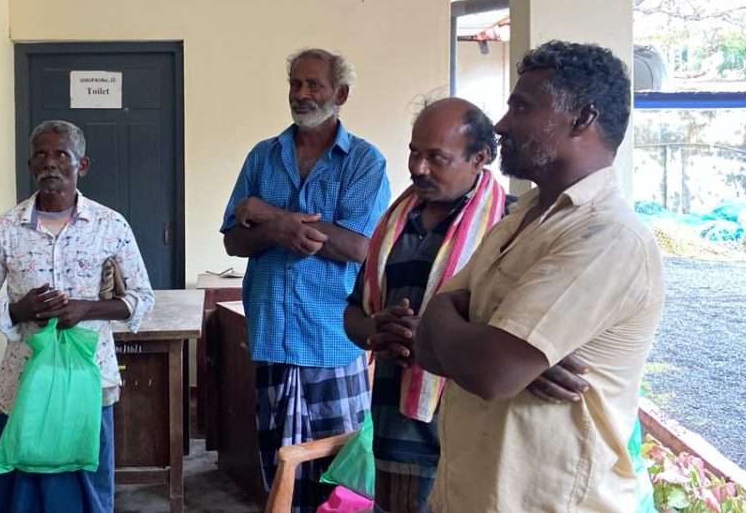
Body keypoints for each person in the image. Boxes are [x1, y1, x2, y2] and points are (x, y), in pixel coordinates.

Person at [416, 40, 665, 512]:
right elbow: (427, 341)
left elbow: (492, 372)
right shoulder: (521, 219)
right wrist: (465, 329)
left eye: (521, 107)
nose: (501, 125)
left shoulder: (607, 237)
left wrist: (472, 334)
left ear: (582, 118)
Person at [221, 48, 391, 512]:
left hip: (333, 338)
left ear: (341, 94)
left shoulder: (364, 161)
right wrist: (279, 229)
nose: (301, 93)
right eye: (295, 84)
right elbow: (234, 240)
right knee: (279, 472)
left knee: (341, 476)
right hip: (273, 338)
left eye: (313, 84)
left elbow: (358, 247)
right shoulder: (263, 156)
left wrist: (269, 214)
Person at [0, 120, 155, 513]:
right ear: (30, 165)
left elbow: (142, 298)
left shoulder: (109, 225)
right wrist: (18, 310)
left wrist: (87, 309)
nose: (49, 163)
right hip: (24, 381)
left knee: (86, 489)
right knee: (18, 491)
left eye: (61, 155)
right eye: (40, 154)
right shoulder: (6, 229)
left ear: (81, 165)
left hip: (90, 379)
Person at [343, 97, 510, 513]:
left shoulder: (509, 227)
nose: (418, 168)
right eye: (414, 153)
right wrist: (376, 331)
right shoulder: (394, 225)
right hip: (397, 430)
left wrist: (438, 337)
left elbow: (515, 337)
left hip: (472, 431)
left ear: (479, 158)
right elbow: (353, 313)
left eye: (436, 158)